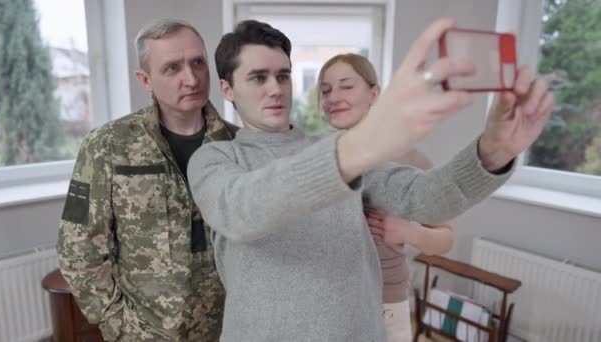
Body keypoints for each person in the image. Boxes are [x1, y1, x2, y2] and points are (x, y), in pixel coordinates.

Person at [187, 18, 553, 342]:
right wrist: (360, 145)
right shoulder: (215, 159)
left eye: (283, 75)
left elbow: (426, 197)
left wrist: (492, 151)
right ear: (228, 89)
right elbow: (242, 209)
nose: (275, 88)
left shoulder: (338, 147)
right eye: (258, 77)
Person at [57, 19, 237, 341]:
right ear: (145, 79)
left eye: (198, 62)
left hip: (226, 328)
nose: (191, 78)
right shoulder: (107, 146)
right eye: (172, 68)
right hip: (145, 332)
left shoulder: (236, 145)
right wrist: (117, 325)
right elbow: (77, 249)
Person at [319, 52, 454, 342]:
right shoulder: (319, 158)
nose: (334, 96)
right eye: (326, 89)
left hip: (384, 302)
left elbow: (446, 238)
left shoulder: (408, 158)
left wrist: (407, 231)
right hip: (329, 299)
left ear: (374, 93)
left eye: (346, 85)